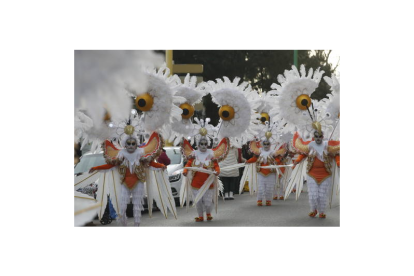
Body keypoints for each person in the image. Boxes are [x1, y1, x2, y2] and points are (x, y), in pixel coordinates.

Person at [89, 135, 166, 226]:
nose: (131, 146)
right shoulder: (121, 154)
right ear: (125, 145)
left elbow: (151, 163)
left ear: (136, 144)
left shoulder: (140, 153)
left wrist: (161, 166)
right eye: (128, 144)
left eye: (133, 144)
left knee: (137, 207)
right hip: (124, 183)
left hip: (138, 182)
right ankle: (124, 225)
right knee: (122, 207)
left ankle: (136, 225)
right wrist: (96, 168)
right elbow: (110, 165)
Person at [293, 128, 340, 218]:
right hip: (312, 174)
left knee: (322, 194)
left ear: (322, 137)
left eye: (320, 136)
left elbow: (335, 154)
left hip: (325, 175)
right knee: (313, 194)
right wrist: (297, 160)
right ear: (314, 137)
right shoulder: (310, 146)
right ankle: (313, 210)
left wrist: (338, 162)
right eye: (316, 136)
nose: (318, 138)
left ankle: (321, 211)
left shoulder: (327, 146)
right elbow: (303, 154)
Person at [182, 136, 220, 222]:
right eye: (202, 144)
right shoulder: (194, 154)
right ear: (198, 145)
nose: (204, 146)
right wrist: (185, 171)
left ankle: (208, 214)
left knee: (208, 201)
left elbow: (216, 165)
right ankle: (200, 216)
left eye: (205, 144)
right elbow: (188, 164)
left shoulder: (211, 154)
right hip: (196, 184)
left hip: (208, 183)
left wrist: (217, 171)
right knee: (198, 201)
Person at [245, 139, 277, 206]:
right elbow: (254, 158)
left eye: (267, 144)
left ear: (270, 145)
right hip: (261, 173)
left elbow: (278, 160)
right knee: (260, 187)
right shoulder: (259, 152)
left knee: (269, 187)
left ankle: (268, 200)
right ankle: (259, 200)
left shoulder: (273, 152)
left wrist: (277, 162)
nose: (266, 146)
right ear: (262, 144)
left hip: (271, 173)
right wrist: (248, 161)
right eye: (264, 144)